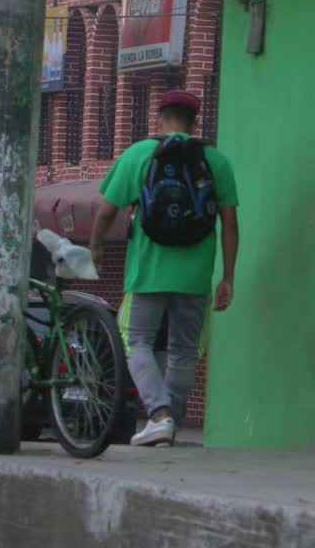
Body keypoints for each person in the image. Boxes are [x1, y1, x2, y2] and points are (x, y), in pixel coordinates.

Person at [90, 89, 239, 447]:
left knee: (137, 341)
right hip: (196, 274)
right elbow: (230, 223)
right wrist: (228, 277)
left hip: (148, 271)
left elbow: (107, 210)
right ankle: (171, 419)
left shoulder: (140, 154)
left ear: (159, 118)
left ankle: (159, 416)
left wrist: (94, 247)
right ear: (195, 121)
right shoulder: (216, 161)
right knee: (184, 350)